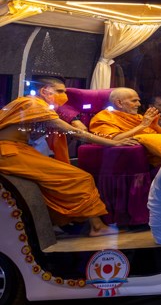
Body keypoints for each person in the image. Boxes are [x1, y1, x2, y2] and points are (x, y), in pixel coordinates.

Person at [0, 77, 136, 236]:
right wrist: (113, 143)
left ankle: (57, 222)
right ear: (44, 91)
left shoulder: (29, 104)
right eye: (60, 91)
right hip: (8, 152)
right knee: (81, 178)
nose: (64, 96)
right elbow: (75, 133)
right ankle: (97, 227)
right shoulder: (34, 104)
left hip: (16, 149)